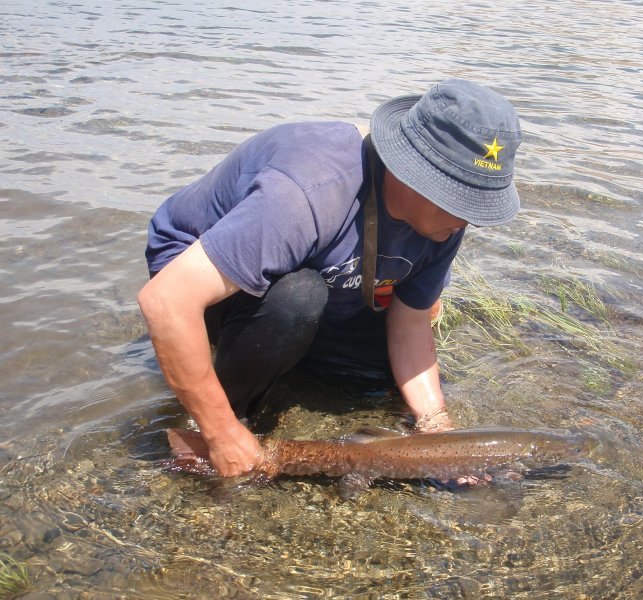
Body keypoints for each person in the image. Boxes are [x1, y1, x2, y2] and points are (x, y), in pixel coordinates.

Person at [138, 78, 522, 476]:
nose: (470, 218)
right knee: (298, 300)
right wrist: (220, 433)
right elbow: (166, 301)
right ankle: (224, 420)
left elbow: (410, 323)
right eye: (461, 200)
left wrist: (436, 428)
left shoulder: (445, 223)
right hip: (206, 276)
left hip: (331, 277)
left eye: (479, 202)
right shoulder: (305, 192)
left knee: (378, 377)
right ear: (414, 173)